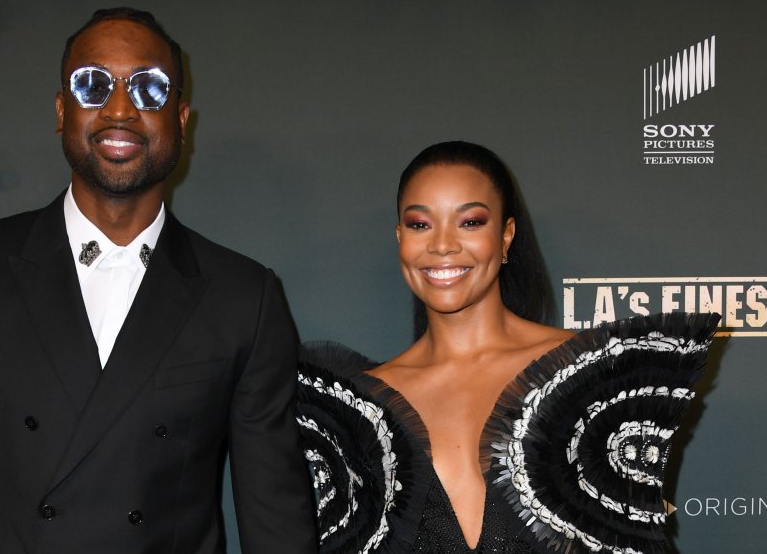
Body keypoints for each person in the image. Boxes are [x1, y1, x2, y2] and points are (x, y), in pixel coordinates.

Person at [0, 7, 317, 554]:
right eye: (93, 85)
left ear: (181, 118)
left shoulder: (244, 297)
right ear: (62, 110)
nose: (120, 108)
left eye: (148, 89)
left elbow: (276, 517)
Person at [296, 141, 718, 553]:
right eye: (420, 224)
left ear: (506, 236)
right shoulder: (353, 413)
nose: (442, 245)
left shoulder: (598, 379)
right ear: (400, 237)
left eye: (470, 222)